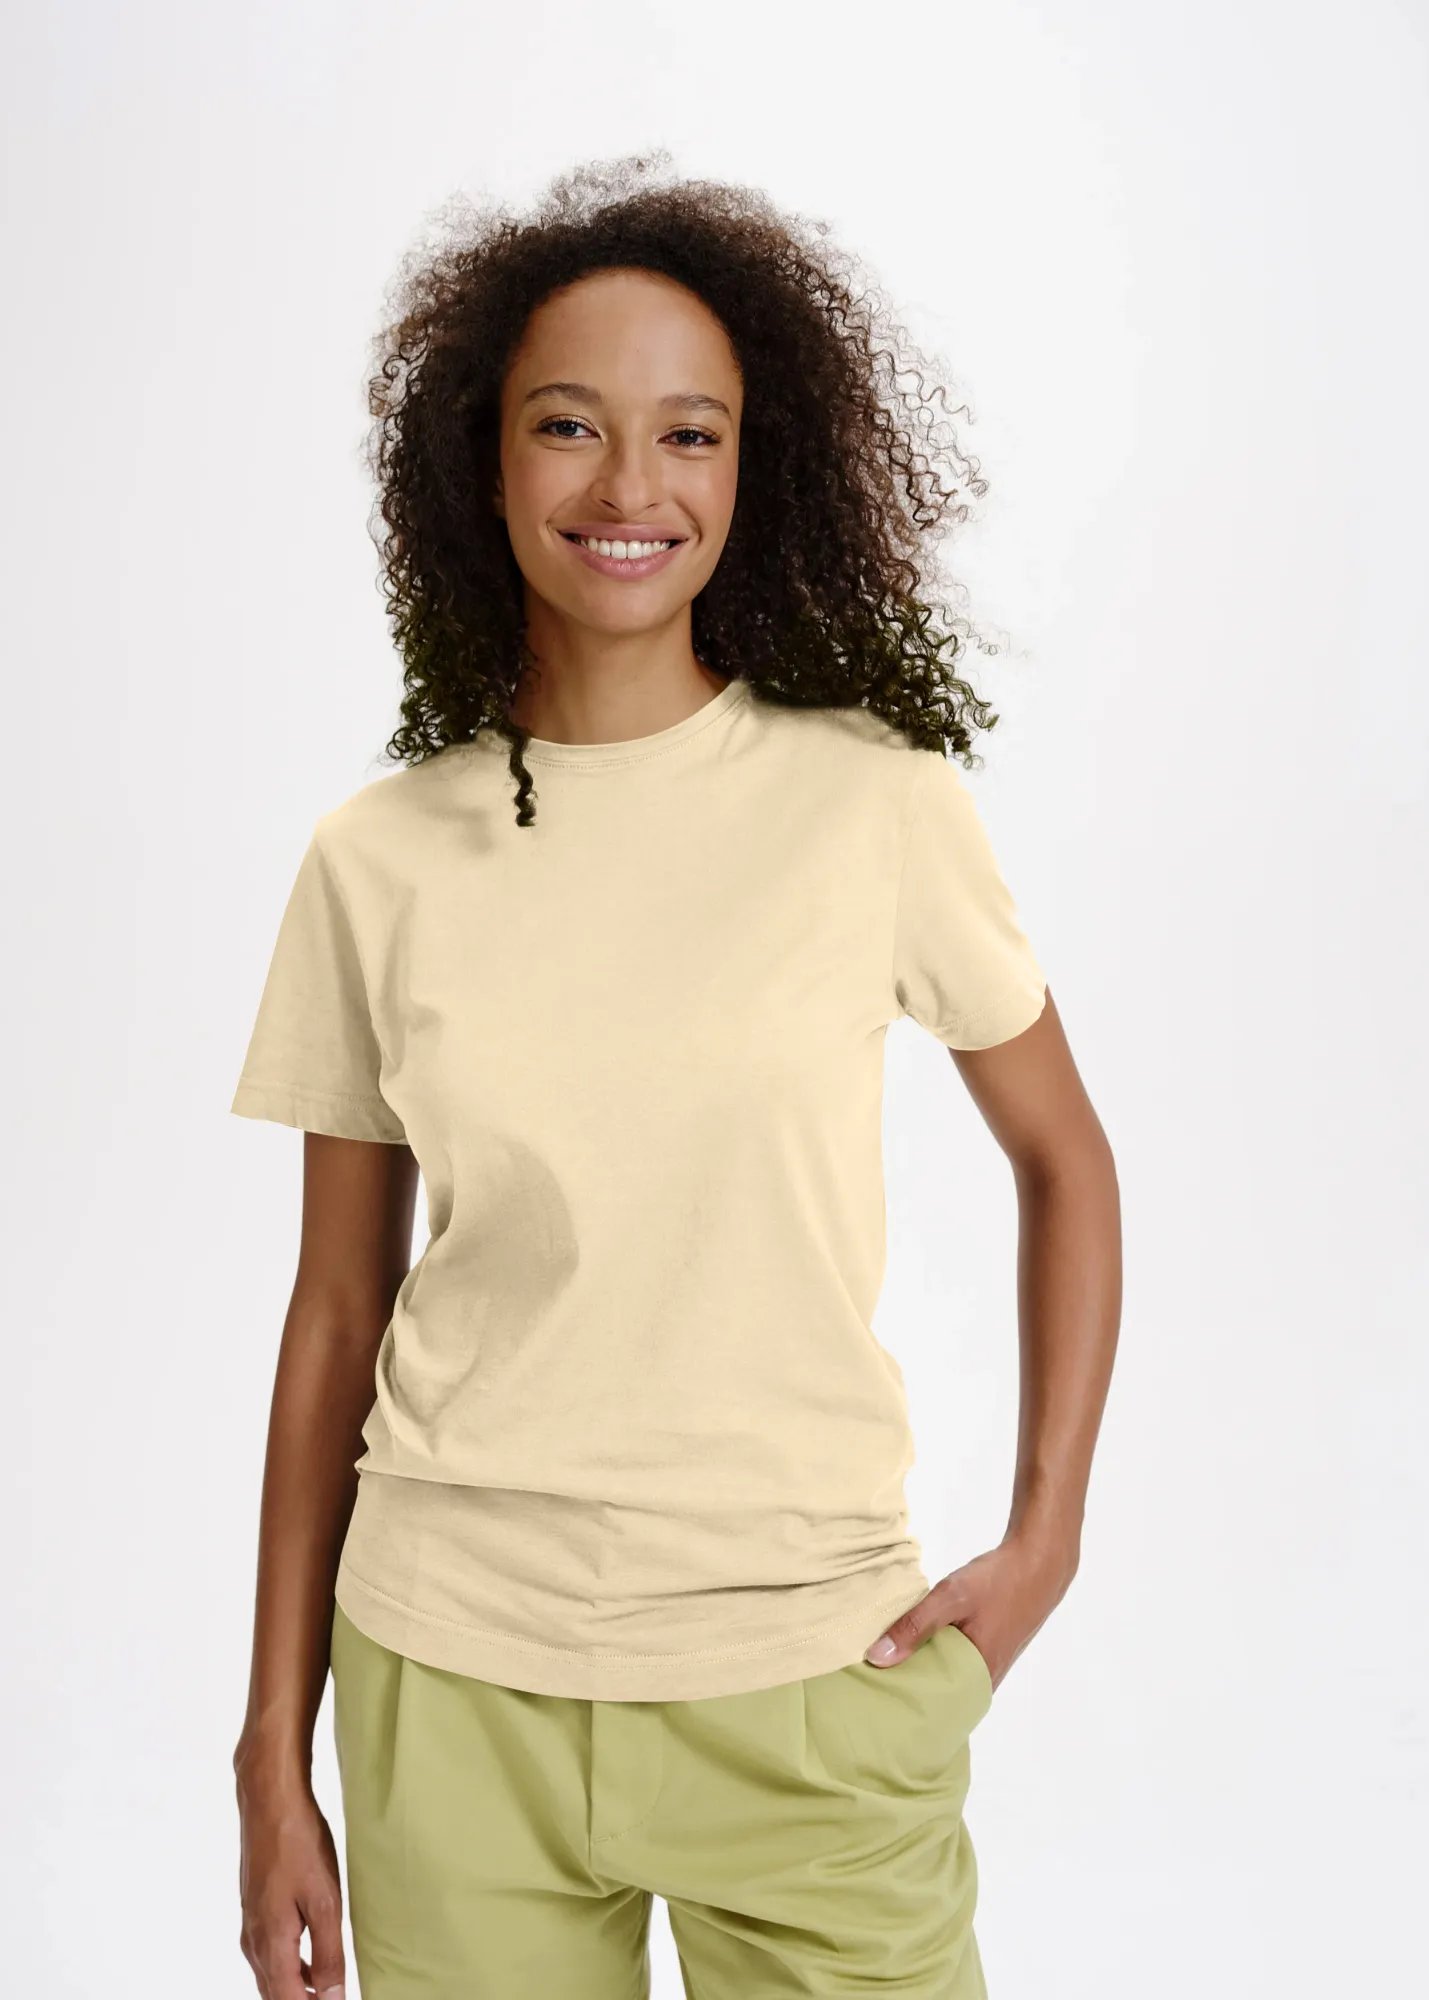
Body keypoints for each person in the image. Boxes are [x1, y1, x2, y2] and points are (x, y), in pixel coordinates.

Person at [229, 155, 1122, 2000]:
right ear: (481, 463)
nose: (629, 488)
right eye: (569, 425)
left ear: (749, 469)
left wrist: (1045, 1538)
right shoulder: (375, 861)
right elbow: (334, 1312)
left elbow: (1062, 1160)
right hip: (446, 1688)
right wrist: (269, 1746)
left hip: (810, 1683)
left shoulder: (874, 805)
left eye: (688, 435)